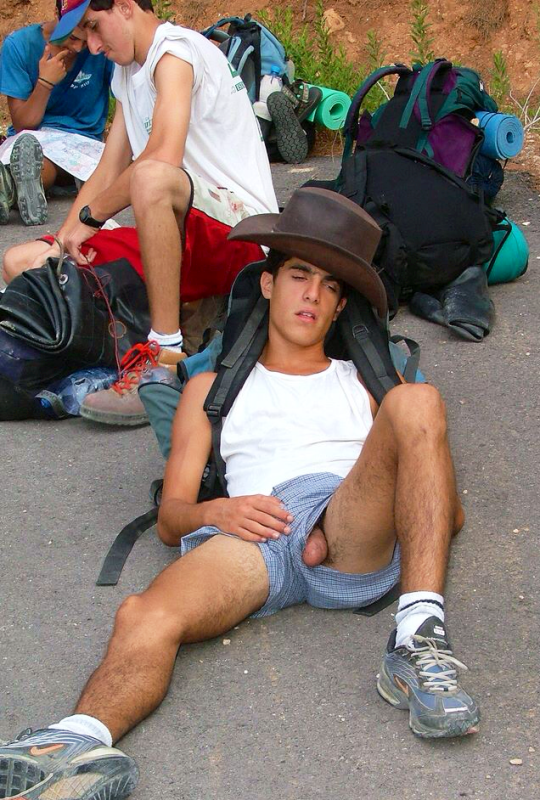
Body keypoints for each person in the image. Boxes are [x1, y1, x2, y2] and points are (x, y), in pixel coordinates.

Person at [0, 188, 478, 800]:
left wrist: (413, 457)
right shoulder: (211, 391)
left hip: (348, 516)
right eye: (299, 275)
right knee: (143, 614)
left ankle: (416, 638)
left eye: (330, 286)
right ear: (269, 284)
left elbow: (446, 514)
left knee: (419, 400)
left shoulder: (365, 384)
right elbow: (172, 518)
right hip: (255, 528)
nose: (312, 294)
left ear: (340, 308)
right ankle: (75, 746)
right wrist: (216, 509)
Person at [1, 0, 277, 426]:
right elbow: (107, 169)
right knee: (23, 262)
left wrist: (92, 219)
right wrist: (65, 239)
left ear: (126, 7)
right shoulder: (127, 72)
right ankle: (126, 355)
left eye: (94, 27)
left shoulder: (175, 52)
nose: (93, 46)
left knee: (150, 176)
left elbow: (162, 156)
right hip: (180, 235)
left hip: (238, 236)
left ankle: (165, 359)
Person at [0, 0, 113, 225]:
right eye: (72, 38)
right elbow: (23, 123)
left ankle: (10, 188)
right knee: (32, 155)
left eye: (86, 38)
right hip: (31, 138)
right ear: (56, 13)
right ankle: (16, 186)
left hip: (81, 142)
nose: (79, 48)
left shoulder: (102, 47)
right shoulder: (19, 45)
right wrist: (45, 83)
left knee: (46, 164)